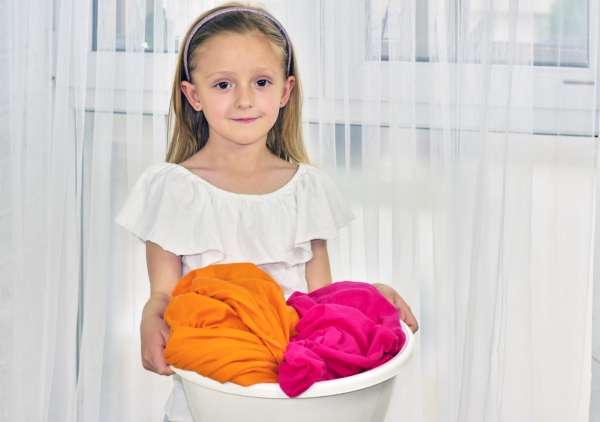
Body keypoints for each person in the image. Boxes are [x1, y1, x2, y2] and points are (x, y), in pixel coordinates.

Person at [115, 2, 418, 421]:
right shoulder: (173, 189)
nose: (244, 100)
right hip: (212, 389)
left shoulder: (305, 190)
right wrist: (150, 318)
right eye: (223, 85)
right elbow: (164, 296)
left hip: (290, 393)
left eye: (261, 81)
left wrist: (368, 300)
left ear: (285, 91)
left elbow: (318, 306)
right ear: (193, 95)